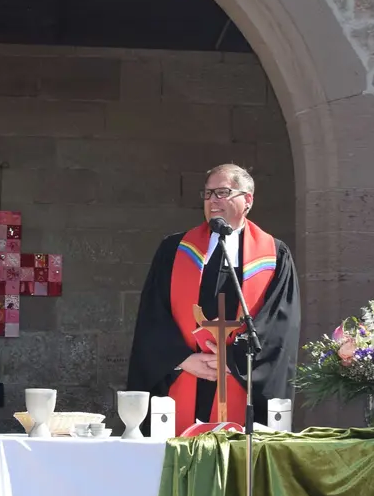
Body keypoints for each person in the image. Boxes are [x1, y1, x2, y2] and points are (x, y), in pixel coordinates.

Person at [126, 164, 301, 435]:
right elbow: (152, 315)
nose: (213, 201)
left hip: (240, 379)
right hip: (184, 375)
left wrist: (233, 360)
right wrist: (182, 359)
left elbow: (279, 323)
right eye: (208, 194)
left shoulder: (274, 255)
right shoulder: (174, 250)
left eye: (222, 192)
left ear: (248, 200)